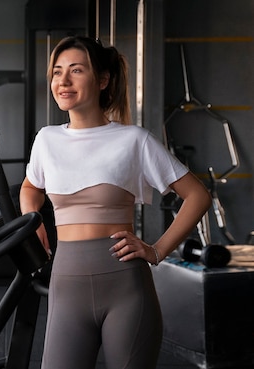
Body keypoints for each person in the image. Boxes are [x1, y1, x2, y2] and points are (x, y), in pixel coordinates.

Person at [19, 36, 211, 369]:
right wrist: (32, 222)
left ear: (103, 79)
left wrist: (157, 249)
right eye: (57, 72)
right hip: (66, 286)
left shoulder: (134, 140)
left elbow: (198, 196)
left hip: (126, 288)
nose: (62, 81)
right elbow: (30, 188)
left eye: (76, 70)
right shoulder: (47, 139)